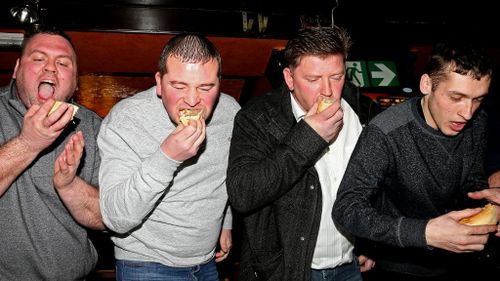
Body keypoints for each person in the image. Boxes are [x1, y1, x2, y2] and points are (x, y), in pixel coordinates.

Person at [332, 41, 497, 281]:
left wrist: (487, 200)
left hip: (461, 262)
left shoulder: (478, 122)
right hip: (399, 267)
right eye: (456, 97)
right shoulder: (385, 132)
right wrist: (424, 232)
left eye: (478, 99)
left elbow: (470, 180)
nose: (468, 112)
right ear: (427, 84)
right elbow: (347, 208)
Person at [226, 26, 373, 281]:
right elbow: (242, 193)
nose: (327, 90)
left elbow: (373, 183)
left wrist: (370, 242)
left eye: (336, 77)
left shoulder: (360, 111)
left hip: (349, 267)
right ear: (290, 78)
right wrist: (308, 137)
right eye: (314, 80)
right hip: (286, 271)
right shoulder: (258, 117)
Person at [98, 33, 240, 281]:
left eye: (206, 87)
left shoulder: (230, 112)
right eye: (179, 86)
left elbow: (228, 172)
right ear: (159, 83)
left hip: (207, 262)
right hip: (145, 263)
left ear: (219, 84)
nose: (193, 100)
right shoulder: (125, 120)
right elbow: (116, 217)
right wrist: (166, 157)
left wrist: (225, 221)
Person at [0, 28, 104, 280]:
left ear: (76, 82)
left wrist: (69, 185)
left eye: (63, 63)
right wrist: (28, 143)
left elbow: (107, 217)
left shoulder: (92, 126)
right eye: (38, 58)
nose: (50, 68)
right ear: (16, 69)